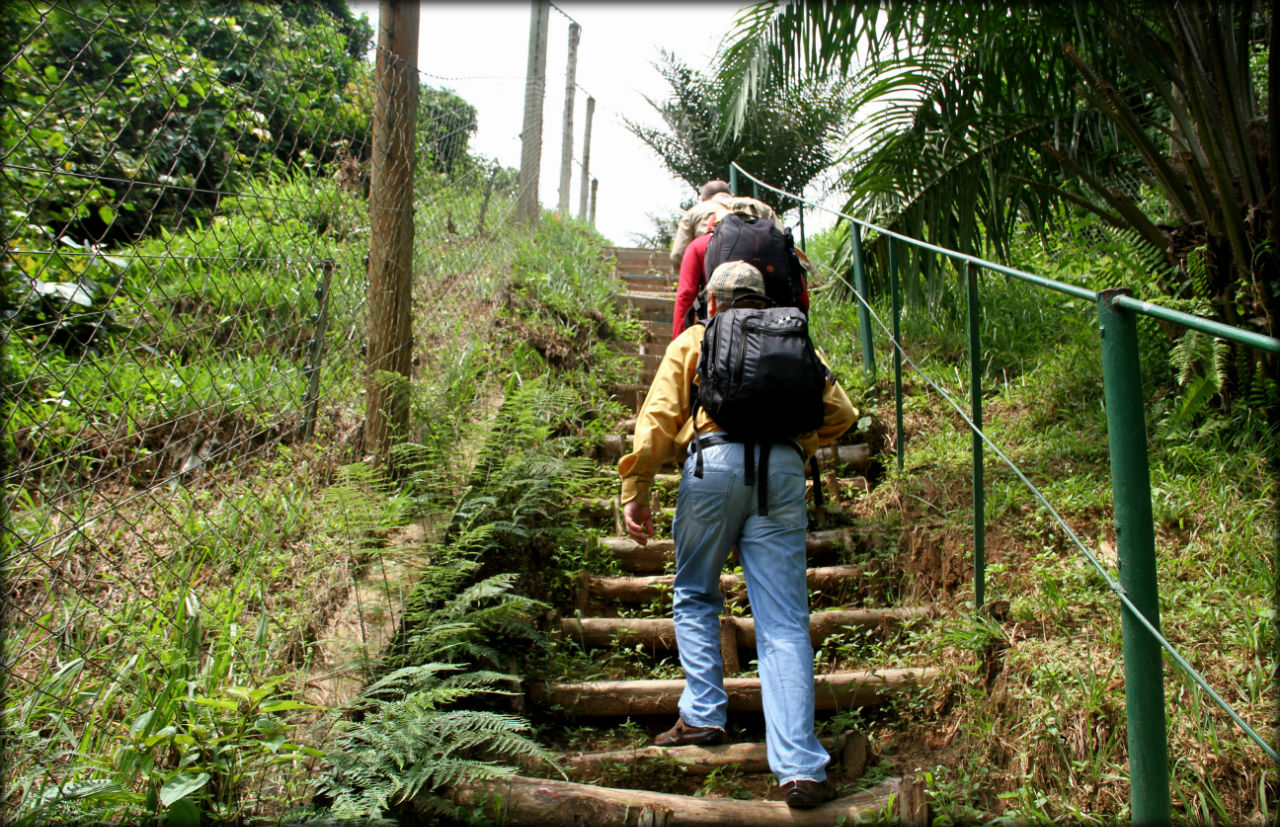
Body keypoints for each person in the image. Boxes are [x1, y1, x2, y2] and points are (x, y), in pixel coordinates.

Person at [618, 261, 857, 809]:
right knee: (783, 621)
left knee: (697, 590)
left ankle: (703, 715)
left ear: (714, 302)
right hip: (781, 472)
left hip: (713, 466)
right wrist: (799, 447)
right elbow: (842, 411)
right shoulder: (795, 342)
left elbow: (656, 418)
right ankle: (800, 768)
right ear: (763, 300)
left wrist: (637, 486)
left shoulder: (697, 338)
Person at [671, 221, 811, 338]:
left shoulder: (700, 244)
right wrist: (795, 334)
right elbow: (803, 301)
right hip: (778, 335)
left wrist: (679, 341)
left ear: (711, 302)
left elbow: (686, 295)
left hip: (715, 337)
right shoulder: (773, 244)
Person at [668, 180, 781, 275]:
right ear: (732, 195)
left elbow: (677, 254)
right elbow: (784, 241)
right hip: (764, 278)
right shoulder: (761, 207)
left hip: (714, 282)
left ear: (703, 199)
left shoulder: (694, 212)